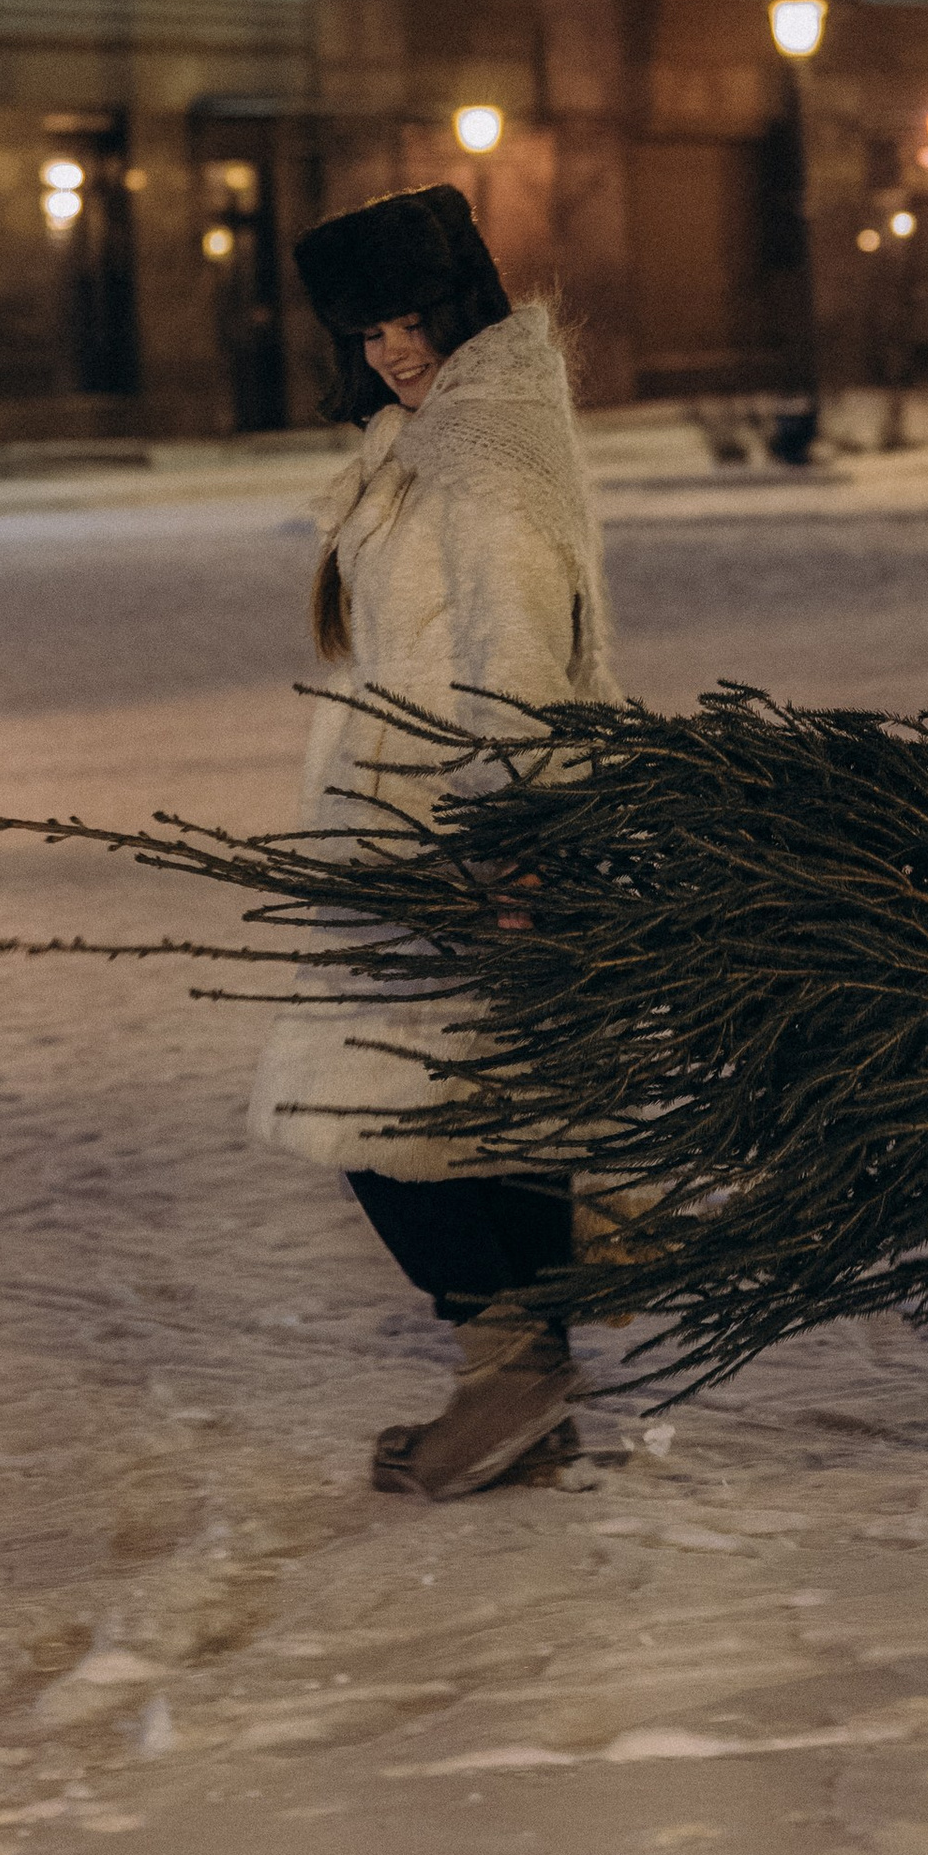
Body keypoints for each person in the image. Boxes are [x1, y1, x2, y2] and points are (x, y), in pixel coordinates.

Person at [247, 182, 617, 1502]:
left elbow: (516, 650)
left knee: (362, 1103)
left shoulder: (486, 451)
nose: (394, 351)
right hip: (430, 828)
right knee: (495, 1111)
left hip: (449, 837)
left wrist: (511, 833)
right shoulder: (442, 433)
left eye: (411, 321)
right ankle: (522, 1390)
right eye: (368, 332)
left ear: (463, 303)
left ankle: (512, 1367)